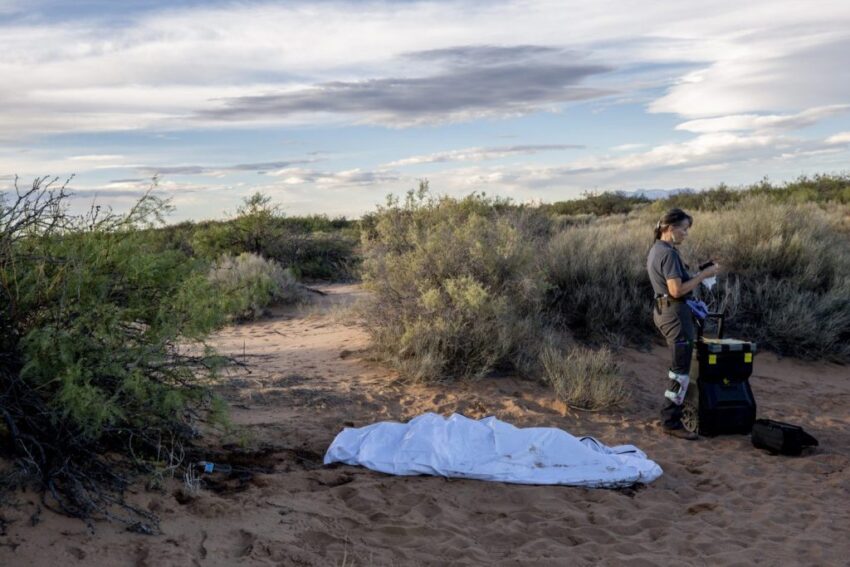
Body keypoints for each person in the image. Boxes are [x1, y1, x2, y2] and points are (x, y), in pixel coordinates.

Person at [646, 208, 721, 440]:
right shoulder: (668, 254)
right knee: (680, 371)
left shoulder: (657, 249)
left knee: (680, 368)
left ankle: (673, 414)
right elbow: (676, 290)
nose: (686, 234)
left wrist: (697, 273)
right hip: (675, 315)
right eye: (684, 229)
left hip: (667, 312)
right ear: (670, 228)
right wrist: (703, 276)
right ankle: (671, 421)